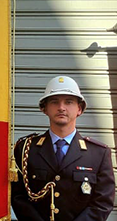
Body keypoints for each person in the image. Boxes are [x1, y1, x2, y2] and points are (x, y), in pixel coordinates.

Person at [12, 76, 115, 221]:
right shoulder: (26, 150)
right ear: (45, 109)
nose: (61, 107)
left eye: (69, 102)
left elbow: (102, 203)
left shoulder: (99, 154)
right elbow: (18, 197)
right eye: (54, 102)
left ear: (79, 109)